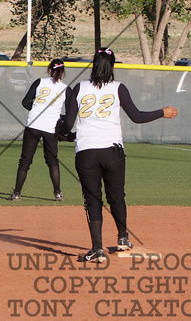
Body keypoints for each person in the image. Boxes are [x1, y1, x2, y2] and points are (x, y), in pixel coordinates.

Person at [59, 48, 177, 263]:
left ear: (93, 65)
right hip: (112, 150)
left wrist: (64, 133)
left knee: (93, 200)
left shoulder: (79, 88)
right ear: (112, 66)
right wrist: (163, 112)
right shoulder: (118, 88)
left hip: (86, 151)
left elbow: (67, 125)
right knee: (116, 196)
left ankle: (97, 249)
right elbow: (137, 117)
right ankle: (123, 237)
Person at [8, 59, 72, 202]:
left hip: (33, 125)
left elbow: (25, 102)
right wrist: (60, 118)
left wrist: (36, 110)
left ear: (50, 70)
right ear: (63, 72)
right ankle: (57, 193)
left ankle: (16, 194)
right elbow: (70, 113)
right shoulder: (66, 89)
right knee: (52, 161)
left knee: (25, 161)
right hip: (51, 128)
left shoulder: (39, 82)